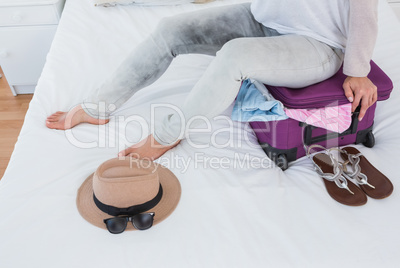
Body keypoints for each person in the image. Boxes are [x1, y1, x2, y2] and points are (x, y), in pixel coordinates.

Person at [46, 0, 379, 160]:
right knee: (170, 30)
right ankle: (100, 106)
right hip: (262, 17)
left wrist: (359, 71)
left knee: (234, 55)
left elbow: (365, 12)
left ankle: (167, 135)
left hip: (317, 44)